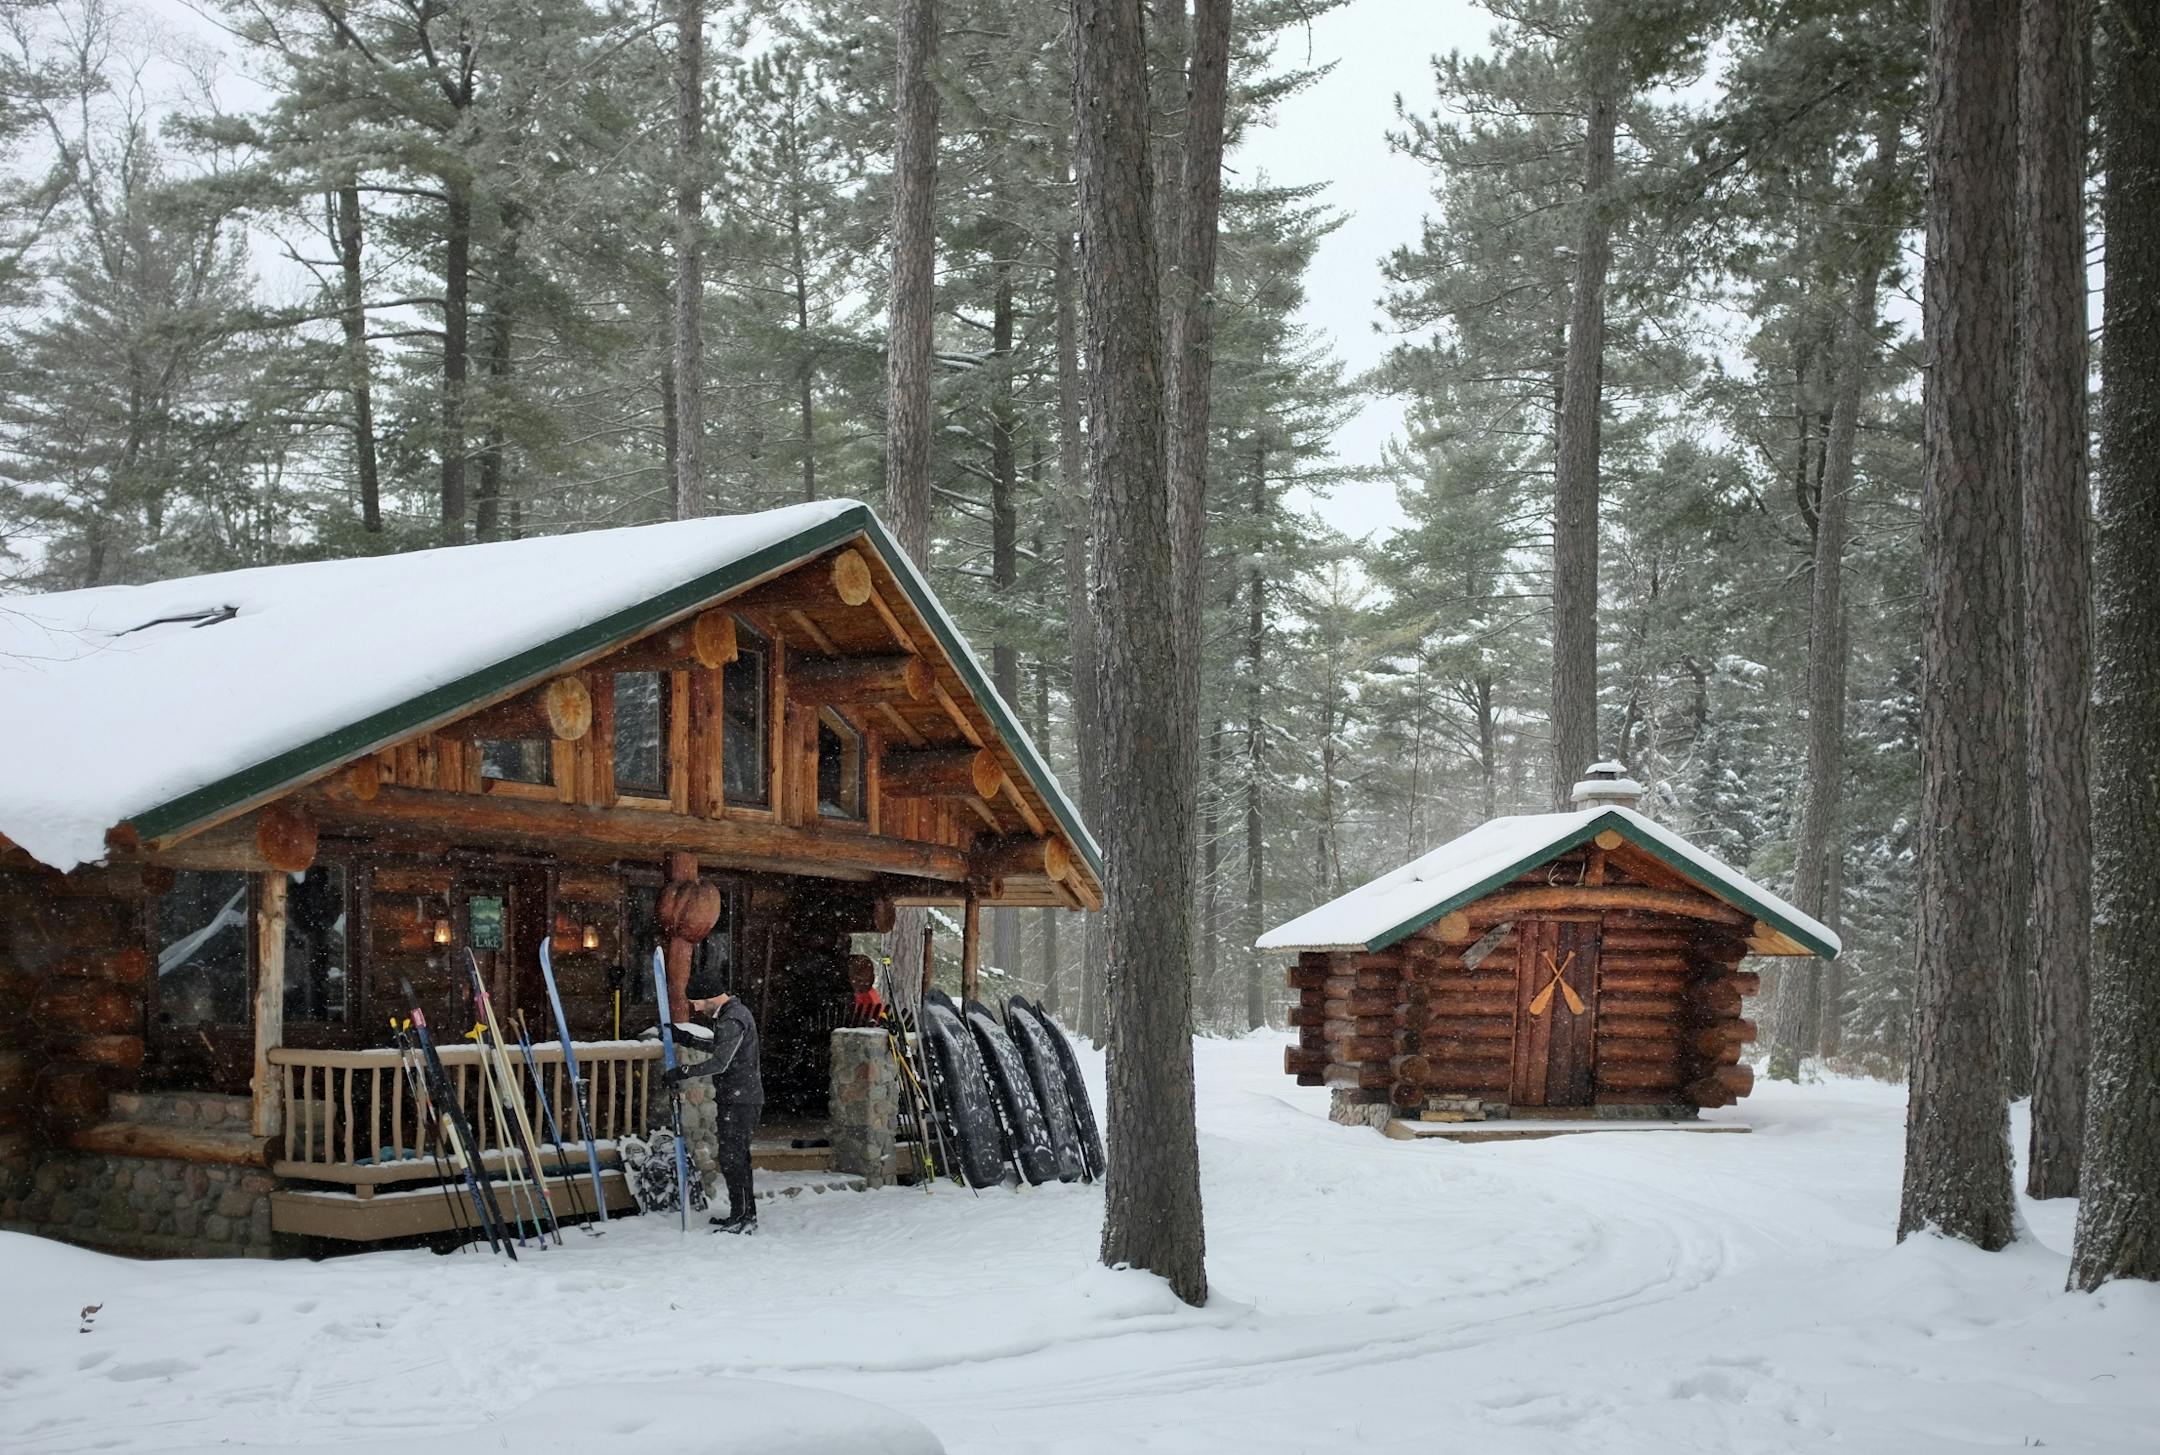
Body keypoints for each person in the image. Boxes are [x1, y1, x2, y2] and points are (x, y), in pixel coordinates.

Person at [662, 989, 763, 1234]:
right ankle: (743, 1214)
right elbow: (721, 1047)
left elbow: (720, 1062)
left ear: (712, 996)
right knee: (735, 1158)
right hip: (738, 1099)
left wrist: (682, 1072)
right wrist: (688, 1039)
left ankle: (742, 1218)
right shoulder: (732, 1015)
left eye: (696, 1002)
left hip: (740, 1101)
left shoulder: (732, 1018)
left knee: (733, 1159)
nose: (695, 1008)